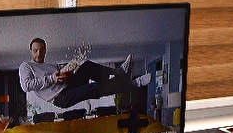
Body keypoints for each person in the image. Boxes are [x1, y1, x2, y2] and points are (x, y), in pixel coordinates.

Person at [19, 38, 151, 109]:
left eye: (42, 50)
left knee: (87, 66)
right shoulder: (26, 66)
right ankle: (133, 84)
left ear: (45, 50)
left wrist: (70, 68)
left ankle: (119, 71)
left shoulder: (50, 65)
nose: (39, 53)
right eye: (35, 50)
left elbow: (60, 73)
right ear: (31, 50)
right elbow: (26, 86)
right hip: (61, 97)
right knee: (94, 88)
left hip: (68, 85)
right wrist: (52, 78)